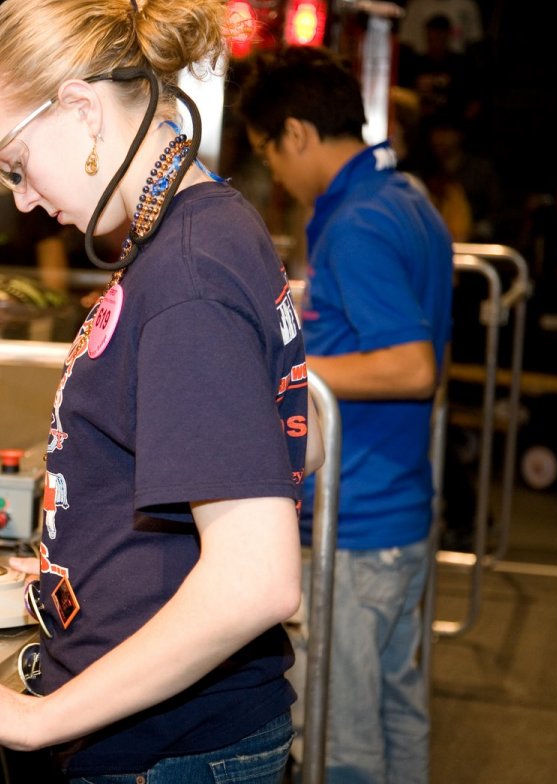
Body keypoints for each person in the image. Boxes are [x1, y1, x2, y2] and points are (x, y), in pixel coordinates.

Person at [0, 0, 318, 781]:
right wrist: (89, 557)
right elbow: (294, 433)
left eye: (13, 165)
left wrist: (34, 717)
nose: (22, 196)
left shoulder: (186, 276)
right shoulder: (208, 225)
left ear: (81, 109)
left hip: (170, 748)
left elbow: (257, 580)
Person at [238, 46, 453, 784]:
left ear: (295, 133)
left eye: (270, 153)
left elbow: (410, 366)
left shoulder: (356, 223)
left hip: (358, 525)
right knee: (397, 716)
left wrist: (286, 368)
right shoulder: (406, 199)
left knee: (343, 742)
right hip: (399, 513)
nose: (277, 175)